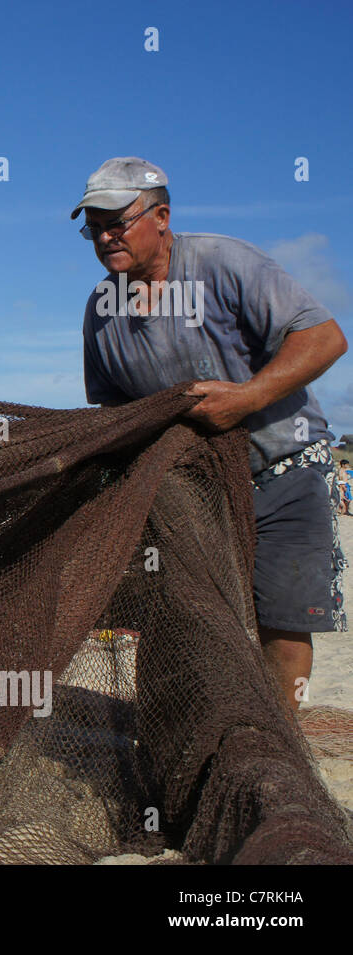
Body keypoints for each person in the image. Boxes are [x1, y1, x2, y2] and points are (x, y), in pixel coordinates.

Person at [74, 156, 348, 714]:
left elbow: (324, 338)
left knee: (282, 621)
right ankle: (175, 733)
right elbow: (113, 408)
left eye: (116, 222)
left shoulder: (224, 263)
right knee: (180, 613)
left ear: (161, 216)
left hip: (284, 467)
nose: (105, 236)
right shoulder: (102, 311)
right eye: (94, 227)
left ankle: (278, 747)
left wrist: (246, 398)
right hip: (192, 488)